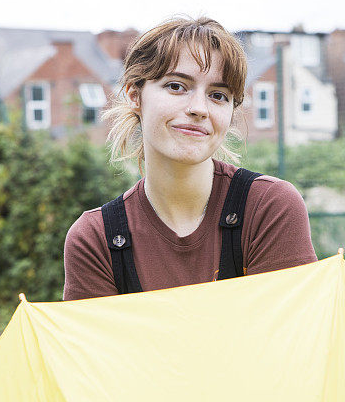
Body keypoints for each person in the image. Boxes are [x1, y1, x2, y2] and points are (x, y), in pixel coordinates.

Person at [62, 17, 317, 300]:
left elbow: (290, 339)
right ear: (135, 95)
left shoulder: (269, 208)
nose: (199, 108)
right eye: (176, 86)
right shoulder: (95, 239)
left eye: (218, 95)